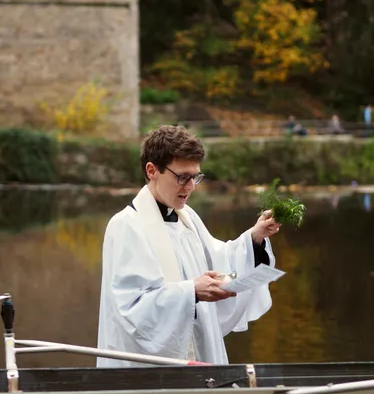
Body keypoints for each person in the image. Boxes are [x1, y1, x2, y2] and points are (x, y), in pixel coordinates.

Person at [96, 125, 280, 367]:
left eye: (196, 177)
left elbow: (219, 261)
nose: (191, 186)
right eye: (183, 177)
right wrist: (191, 291)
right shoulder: (127, 226)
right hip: (148, 371)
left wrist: (255, 238)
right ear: (152, 170)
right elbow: (131, 310)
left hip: (199, 355)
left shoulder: (187, 218)